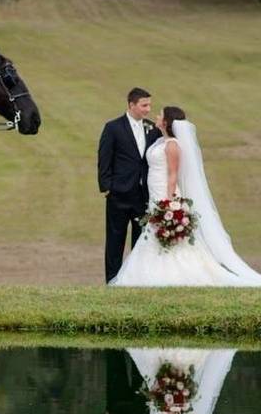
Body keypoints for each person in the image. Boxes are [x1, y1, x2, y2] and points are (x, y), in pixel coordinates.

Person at [109, 106, 261, 286]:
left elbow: (173, 174)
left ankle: (171, 273)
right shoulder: (160, 142)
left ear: (166, 122)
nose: (156, 116)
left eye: (160, 115)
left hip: (164, 194)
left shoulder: (172, 145)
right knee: (152, 232)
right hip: (153, 193)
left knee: (159, 233)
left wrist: (168, 202)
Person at [98, 87, 162, 282]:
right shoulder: (113, 127)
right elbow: (104, 158)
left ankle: (135, 280)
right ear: (131, 105)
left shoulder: (152, 128)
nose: (147, 109)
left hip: (143, 195)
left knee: (140, 241)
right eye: (144, 105)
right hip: (118, 194)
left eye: (149, 105)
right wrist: (107, 186)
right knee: (115, 240)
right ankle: (112, 280)